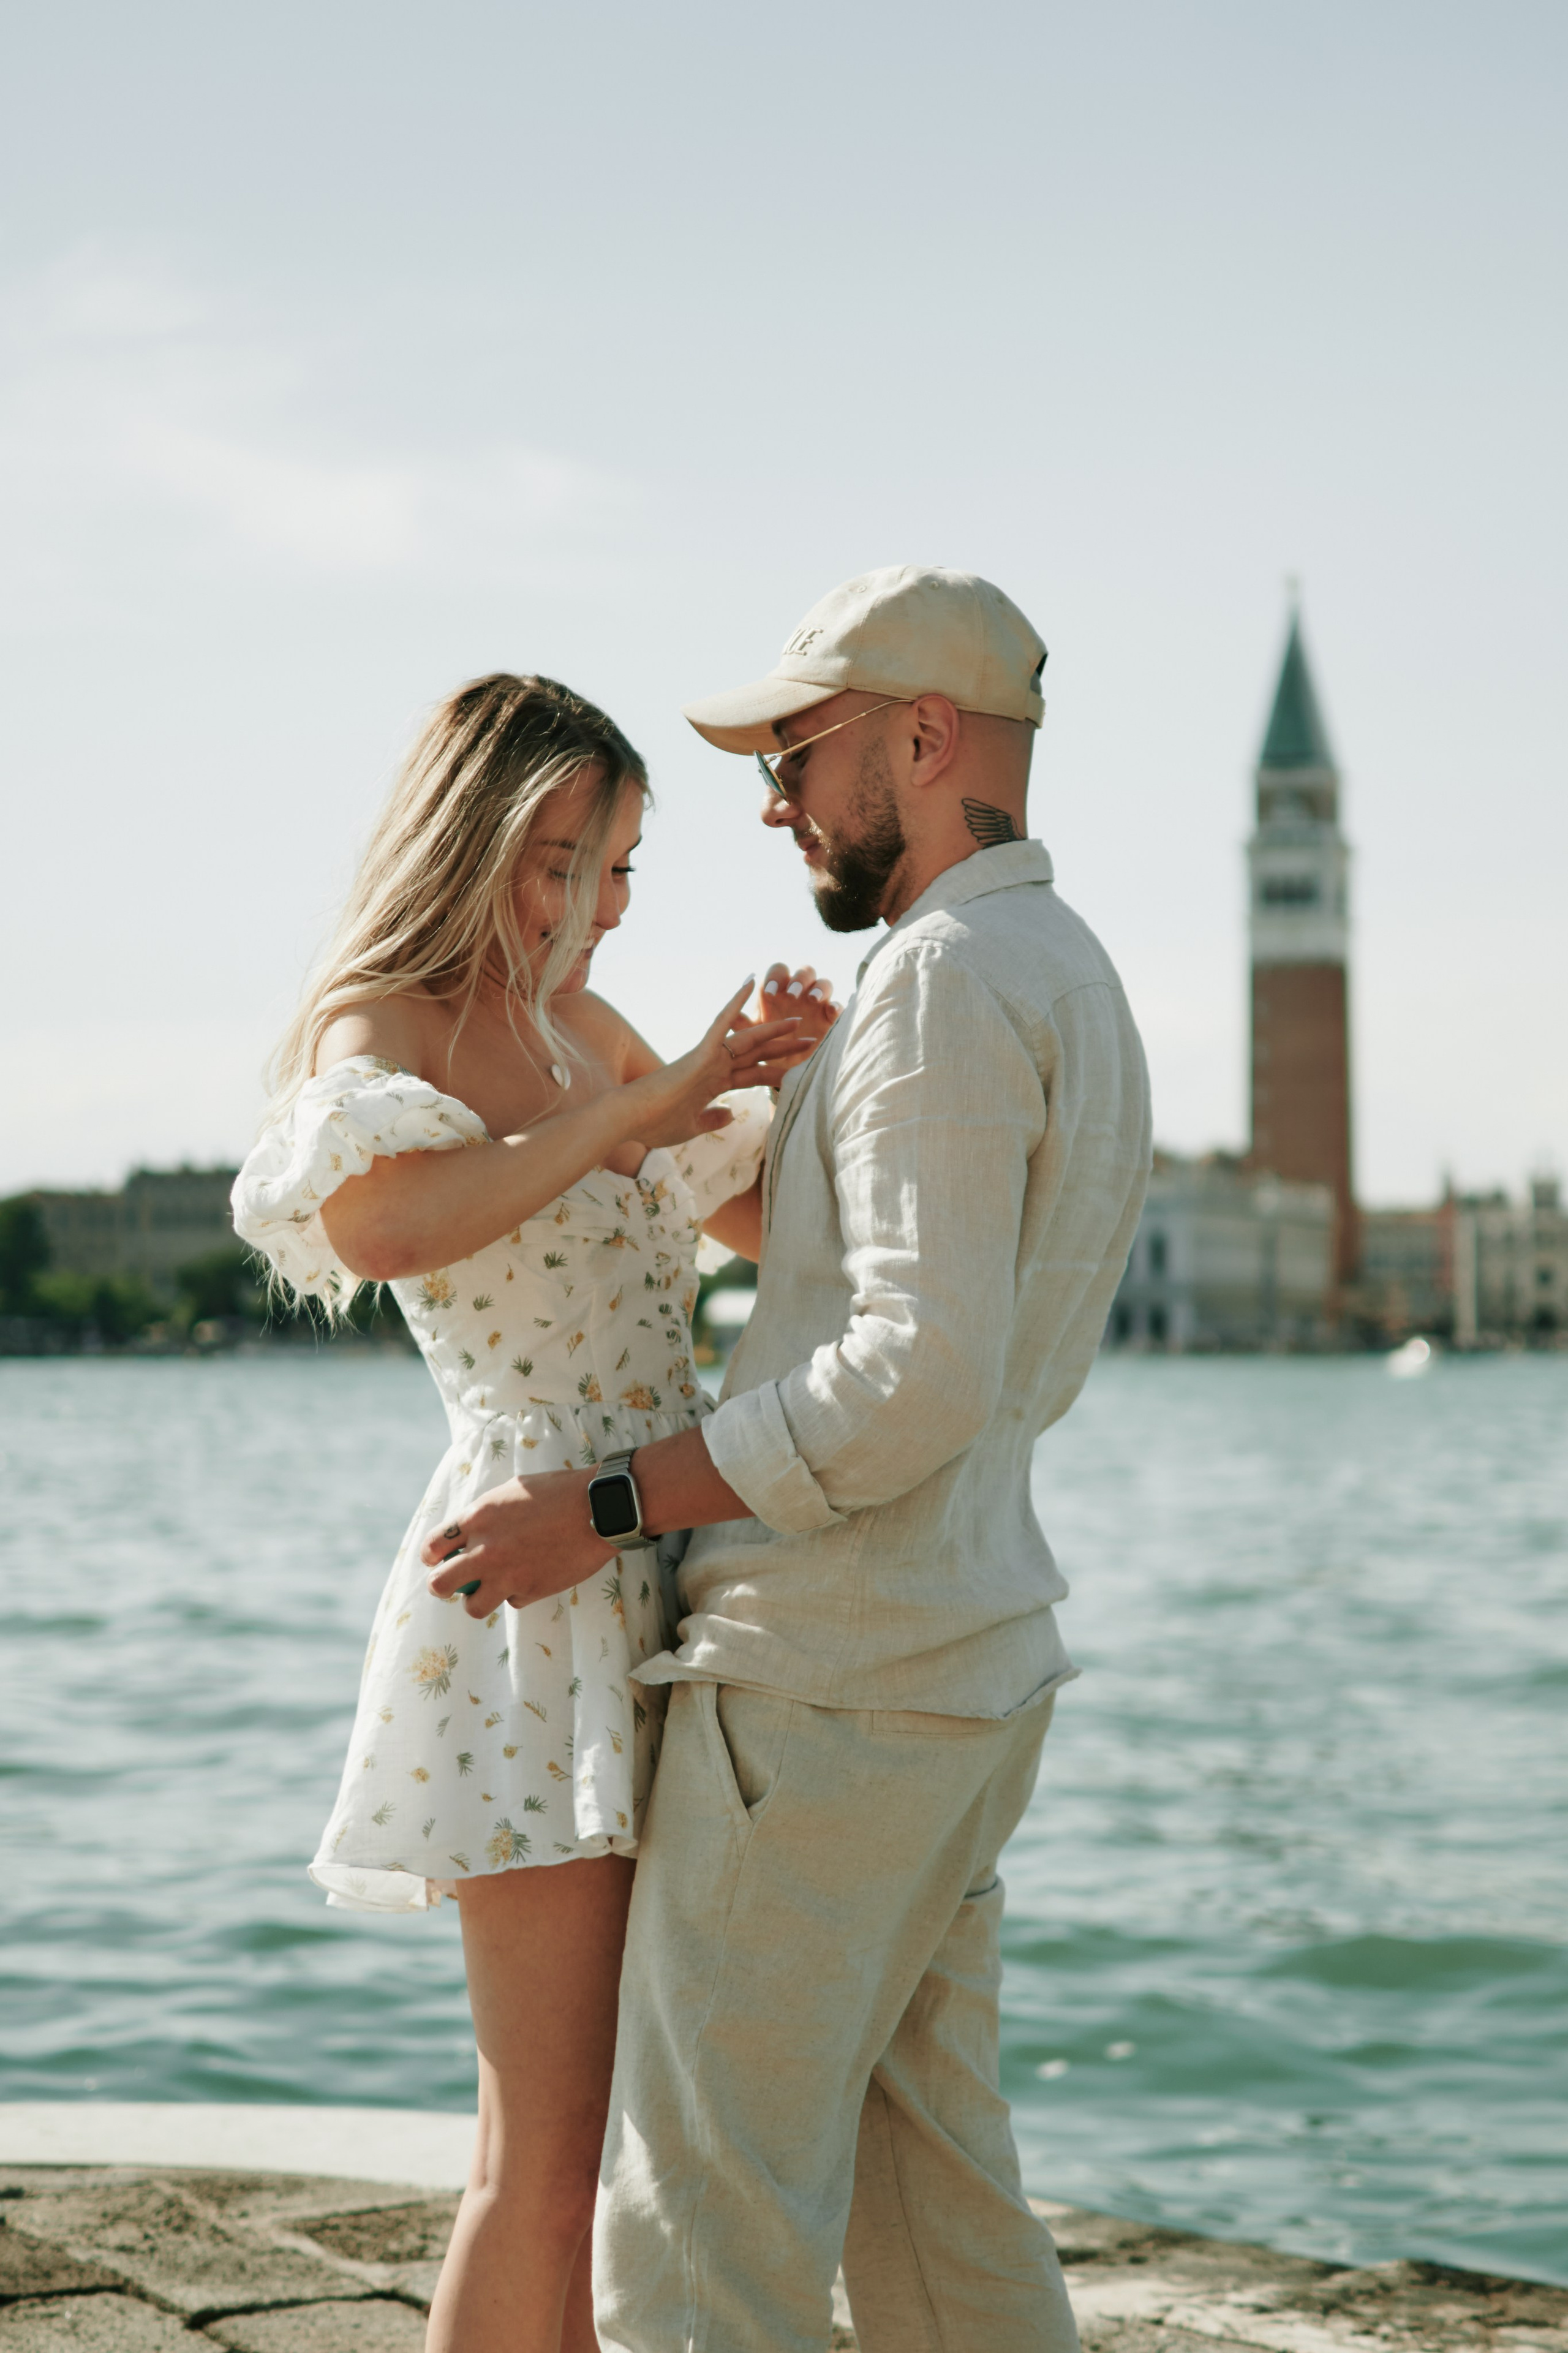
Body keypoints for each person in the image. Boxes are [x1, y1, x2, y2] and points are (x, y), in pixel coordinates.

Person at [424, 570, 1153, 2353]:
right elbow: (936, 1334)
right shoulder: (1068, 971)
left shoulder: (940, 989)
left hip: (830, 1696)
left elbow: (904, 1379)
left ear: (922, 736)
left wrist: (598, 1502)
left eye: (799, 754)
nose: (772, 802)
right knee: (941, 2219)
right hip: (969, 1673)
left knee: (698, 2244)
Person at [230, 670, 836, 2353]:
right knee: (547, 2147)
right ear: (475, 834)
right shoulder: (387, 1023)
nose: (588, 903)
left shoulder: (593, 1030)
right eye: (558, 856)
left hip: (668, 1556)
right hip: (530, 1594)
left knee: (639, 2133)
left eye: (623, 866)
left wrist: (814, 1078)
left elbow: (775, 1228)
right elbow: (387, 1228)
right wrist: (652, 1101)